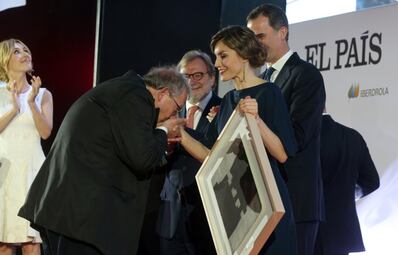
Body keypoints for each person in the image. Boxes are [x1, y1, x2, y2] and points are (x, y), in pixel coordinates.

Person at [18, 66, 189, 255]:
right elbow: (142, 159)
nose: (175, 116)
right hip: (80, 218)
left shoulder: (124, 90)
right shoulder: (135, 96)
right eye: (177, 109)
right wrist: (163, 131)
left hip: (70, 215)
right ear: (162, 94)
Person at [180, 25, 298, 254]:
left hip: (267, 204)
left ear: (243, 55)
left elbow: (282, 153)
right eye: (216, 56)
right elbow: (212, 156)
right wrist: (181, 135)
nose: (216, 64)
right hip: (237, 209)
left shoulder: (269, 93)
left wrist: (256, 120)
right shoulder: (227, 101)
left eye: (223, 55)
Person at [247, 4, 326, 255]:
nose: (255, 44)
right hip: (267, 201)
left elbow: (297, 137)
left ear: (282, 32)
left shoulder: (305, 75)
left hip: (296, 201)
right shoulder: (261, 80)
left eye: (260, 36)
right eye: (251, 38)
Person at [0, 38, 53, 255]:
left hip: (31, 170)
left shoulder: (43, 94)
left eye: (26, 50)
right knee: (3, 242)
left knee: (31, 241)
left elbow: (45, 132)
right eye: (17, 51)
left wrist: (31, 102)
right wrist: (13, 109)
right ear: (5, 60)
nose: (25, 54)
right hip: (4, 171)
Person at [156, 50, 221, 255]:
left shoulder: (225, 109)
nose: (191, 81)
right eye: (185, 76)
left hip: (207, 211)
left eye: (198, 75)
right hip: (171, 209)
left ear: (212, 78)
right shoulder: (169, 110)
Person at [314, 112, 380, 255]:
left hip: (311, 232)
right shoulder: (353, 136)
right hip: (342, 231)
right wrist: (348, 194)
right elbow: (372, 181)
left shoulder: (302, 139)